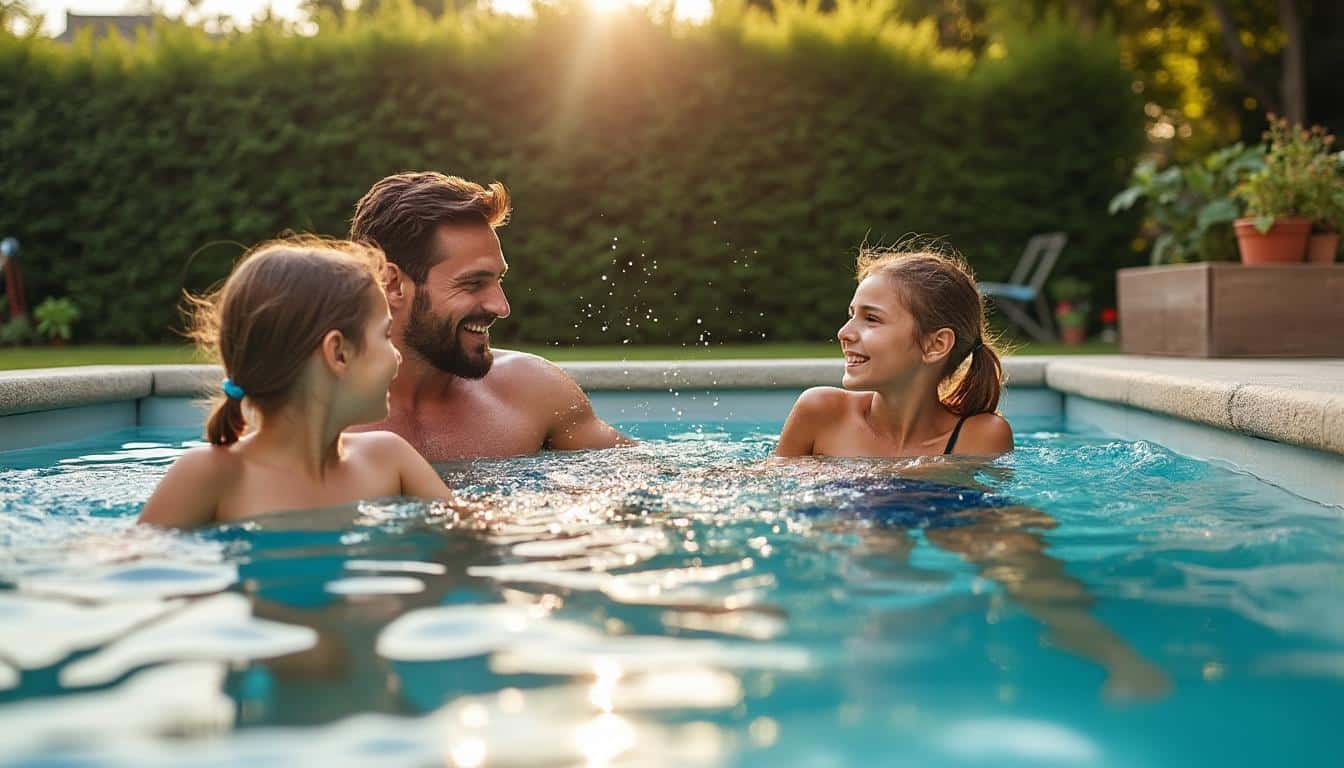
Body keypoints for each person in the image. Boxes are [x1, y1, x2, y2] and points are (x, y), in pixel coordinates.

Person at [139, 238, 453, 530]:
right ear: (338, 352)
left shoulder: (390, 460)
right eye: (385, 335)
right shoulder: (212, 476)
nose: (396, 355)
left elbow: (476, 532)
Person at [347, 172, 633, 460]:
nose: (501, 307)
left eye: (499, 280)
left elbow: (643, 481)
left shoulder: (534, 391)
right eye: (473, 283)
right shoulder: (314, 419)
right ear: (392, 284)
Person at [775, 246, 1013, 458]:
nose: (843, 333)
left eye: (871, 319)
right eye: (851, 315)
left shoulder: (980, 437)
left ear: (936, 345)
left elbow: (991, 509)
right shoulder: (821, 413)